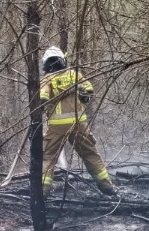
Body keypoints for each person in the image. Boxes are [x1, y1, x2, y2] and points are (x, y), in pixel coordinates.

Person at [38, 46, 117, 197]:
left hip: (57, 127)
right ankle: (108, 188)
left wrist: (41, 107)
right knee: (91, 155)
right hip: (79, 124)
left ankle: (42, 193)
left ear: (46, 64)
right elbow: (88, 91)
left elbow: (42, 98)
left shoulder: (47, 79)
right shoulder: (75, 75)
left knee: (48, 158)